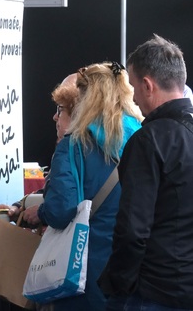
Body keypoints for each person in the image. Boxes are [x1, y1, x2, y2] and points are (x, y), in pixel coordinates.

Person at [23, 62, 143, 311]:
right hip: (136, 271)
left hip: (86, 273)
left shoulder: (73, 146)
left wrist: (41, 212)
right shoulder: (143, 139)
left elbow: (60, 210)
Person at [99, 35, 193, 310]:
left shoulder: (148, 141)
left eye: (133, 87)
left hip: (155, 290)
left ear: (148, 85)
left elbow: (132, 230)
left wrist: (116, 284)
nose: (134, 98)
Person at [0, 73, 78, 219]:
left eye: (60, 109)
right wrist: (19, 207)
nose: (55, 116)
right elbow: (51, 193)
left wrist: (41, 213)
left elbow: (62, 209)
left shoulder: (73, 151)